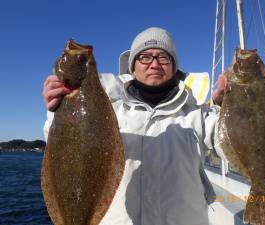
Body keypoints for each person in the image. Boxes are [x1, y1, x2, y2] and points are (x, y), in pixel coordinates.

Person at [43, 27, 226, 225]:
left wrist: (230, 108)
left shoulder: (197, 113)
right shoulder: (110, 109)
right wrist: (57, 107)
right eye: (145, 57)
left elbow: (226, 143)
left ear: (174, 67)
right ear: (132, 67)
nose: (154, 64)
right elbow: (63, 147)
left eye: (163, 57)